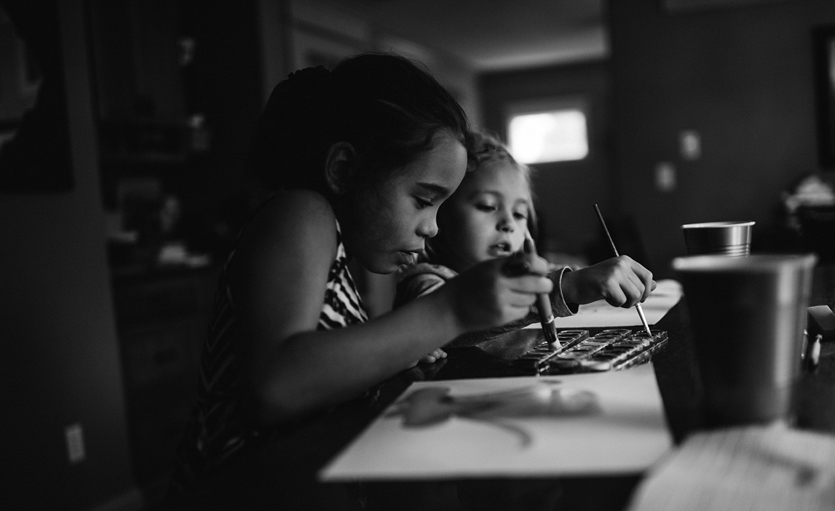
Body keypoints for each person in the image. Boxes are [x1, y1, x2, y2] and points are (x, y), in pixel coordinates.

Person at [173, 54, 553, 488]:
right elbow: (276, 385)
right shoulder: (301, 213)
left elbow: (318, 372)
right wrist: (451, 310)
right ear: (343, 169)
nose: (432, 227)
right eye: (423, 199)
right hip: (237, 504)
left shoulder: (332, 249)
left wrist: (383, 365)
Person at [394, 131, 655, 348]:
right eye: (487, 206)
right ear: (442, 214)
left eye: (519, 214)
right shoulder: (425, 282)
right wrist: (567, 287)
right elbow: (443, 324)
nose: (508, 224)